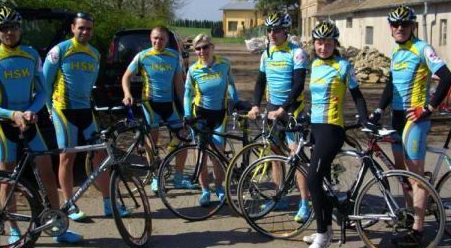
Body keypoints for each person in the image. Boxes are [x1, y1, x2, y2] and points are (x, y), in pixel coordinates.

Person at [0, 7, 77, 244]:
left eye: (13, 27)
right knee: (7, 178)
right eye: (3, 28)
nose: (9, 32)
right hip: (4, 126)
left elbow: (43, 91)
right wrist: (12, 114)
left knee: (47, 172)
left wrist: (32, 110)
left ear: (20, 29)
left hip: (29, 123)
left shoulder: (31, 55)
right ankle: (13, 230)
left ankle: (57, 227)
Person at [369, 5, 451, 247]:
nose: (399, 28)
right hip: (396, 118)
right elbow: (390, 84)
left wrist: (428, 108)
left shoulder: (422, 48)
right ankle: (410, 216)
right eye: (395, 24)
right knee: (401, 173)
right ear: (390, 28)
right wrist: (378, 111)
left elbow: (447, 77)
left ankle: (418, 231)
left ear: (412, 26)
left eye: (404, 24)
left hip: (414, 120)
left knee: (415, 177)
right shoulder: (396, 51)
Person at [44, 12, 129, 227]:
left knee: (100, 155)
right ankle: (69, 204)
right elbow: (44, 82)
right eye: (81, 28)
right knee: (68, 157)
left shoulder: (94, 53)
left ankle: (109, 202)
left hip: (85, 110)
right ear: (73, 28)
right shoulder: (60, 50)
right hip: (63, 110)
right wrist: (48, 108)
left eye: (89, 29)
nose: (85, 32)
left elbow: (90, 83)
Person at [301, 21, 369, 248]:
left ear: (335, 43)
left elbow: (357, 95)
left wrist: (365, 118)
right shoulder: (315, 65)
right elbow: (316, 98)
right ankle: (327, 226)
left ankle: (323, 236)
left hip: (332, 129)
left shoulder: (343, 66)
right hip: (316, 128)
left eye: (328, 43)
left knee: (312, 179)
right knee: (323, 184)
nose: (323, 47)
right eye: (319, 43)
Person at [247, 11, 311, 222]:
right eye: (269, 30)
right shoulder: (267, 53)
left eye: (276, 30)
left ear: (286, 31)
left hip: (292, 110)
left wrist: (284, 108)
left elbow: (298, 85)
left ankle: (305, 202)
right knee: (275, 154)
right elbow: (260, 82)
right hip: (273, 108)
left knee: (296, 156)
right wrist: (255, 105)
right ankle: (279, 196)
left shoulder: (296, 53)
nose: (272, 34)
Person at [122, 26, 191, 194]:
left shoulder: (174, 56)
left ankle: (178, 178)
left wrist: (186, 109)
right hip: (150, 105)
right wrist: (127, 93)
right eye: (155, 38)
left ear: (167, 40)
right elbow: (126, 77)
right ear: (150, 38)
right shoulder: (143, 56)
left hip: (169, 105)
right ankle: (154, 177)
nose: (158, 41)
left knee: (183, 139)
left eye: (161, 38)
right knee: (152, 142)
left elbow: (179, 85)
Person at [184, 33, 239, 206]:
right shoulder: (193, 70)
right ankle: (205, 191)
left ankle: (219, 188)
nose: (202, 51)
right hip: (200, 115)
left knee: (218, 154)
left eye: (205, 47)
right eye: (198, 49)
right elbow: (187, 94)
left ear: (212, 47)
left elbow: (231, 83)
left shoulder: (224, 64)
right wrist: (187, 114)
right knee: (201, 154)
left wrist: (234, 100)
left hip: (219, 115)